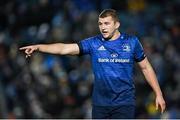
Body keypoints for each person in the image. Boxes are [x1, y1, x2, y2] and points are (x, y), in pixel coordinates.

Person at [19, 9, 166, 119]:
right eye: (100, 24)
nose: (103, 27)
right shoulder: (94, 43)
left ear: (117, 24)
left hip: (124, 103)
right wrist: (39, 47)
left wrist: (158, 94)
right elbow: (64, 48)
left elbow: (146, 67)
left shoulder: (132, 42)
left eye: (107, 23)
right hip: (100, 104)